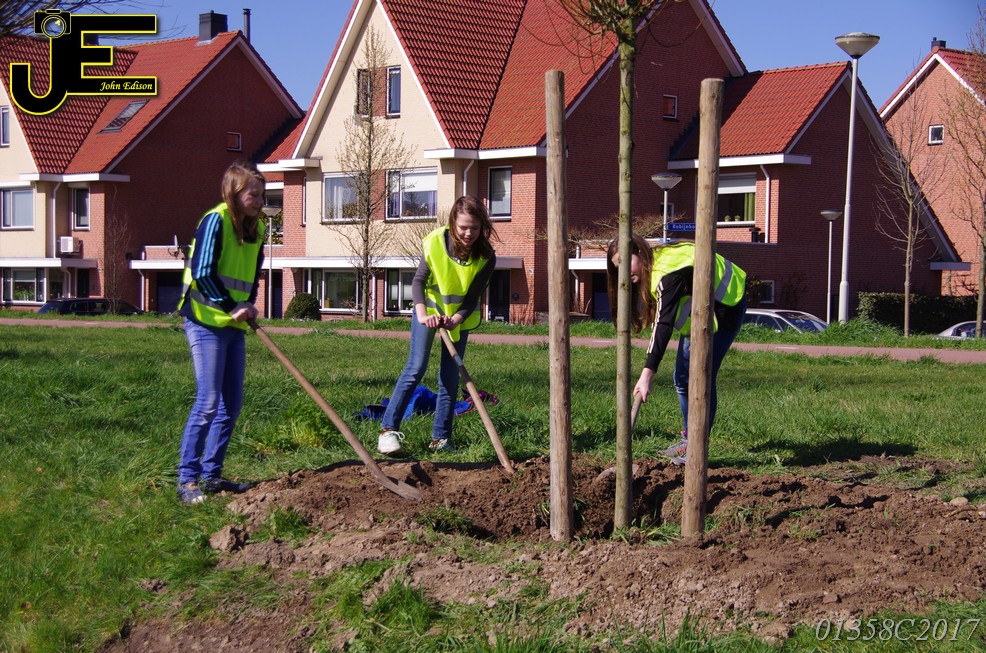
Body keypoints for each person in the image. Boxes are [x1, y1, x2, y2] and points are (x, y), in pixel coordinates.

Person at [606, 234, 747, 465]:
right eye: (616, 267)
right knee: (682, 378)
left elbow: (663, 324)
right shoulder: (655, 267)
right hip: (700, 312)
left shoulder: (667, 274)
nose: (621, 272)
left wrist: (646, 375)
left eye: (624, 262)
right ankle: (689, 439)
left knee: (701, 377)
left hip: (726, 306)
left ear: (639, 252)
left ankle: (696, 447)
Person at [175, 161, 267, 504]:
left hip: (232, 324)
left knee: (232, 404)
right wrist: (230, 305)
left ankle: (212, 475)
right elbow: (202, 272)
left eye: (262, 194)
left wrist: (249, 303)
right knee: (208, 401)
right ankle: (187, 479)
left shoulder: (257, 227)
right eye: (253, 194)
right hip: (205, 320)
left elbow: (252, 272)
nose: (259, 200)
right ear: (234, 193)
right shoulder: (216, 220)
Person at [378, 196, 497, 456]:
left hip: (457, 319)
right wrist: (422, 315)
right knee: (416, 367)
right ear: (453, 222)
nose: (468, 234)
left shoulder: (486, 256)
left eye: (475, 228)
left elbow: (472, 298)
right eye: (463, 227)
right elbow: (419, 281)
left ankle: (441, 438)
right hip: (428, 311)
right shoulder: (434, 242)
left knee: (450, 378)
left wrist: (456, 319)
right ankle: (388, 432)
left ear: (482, 227)